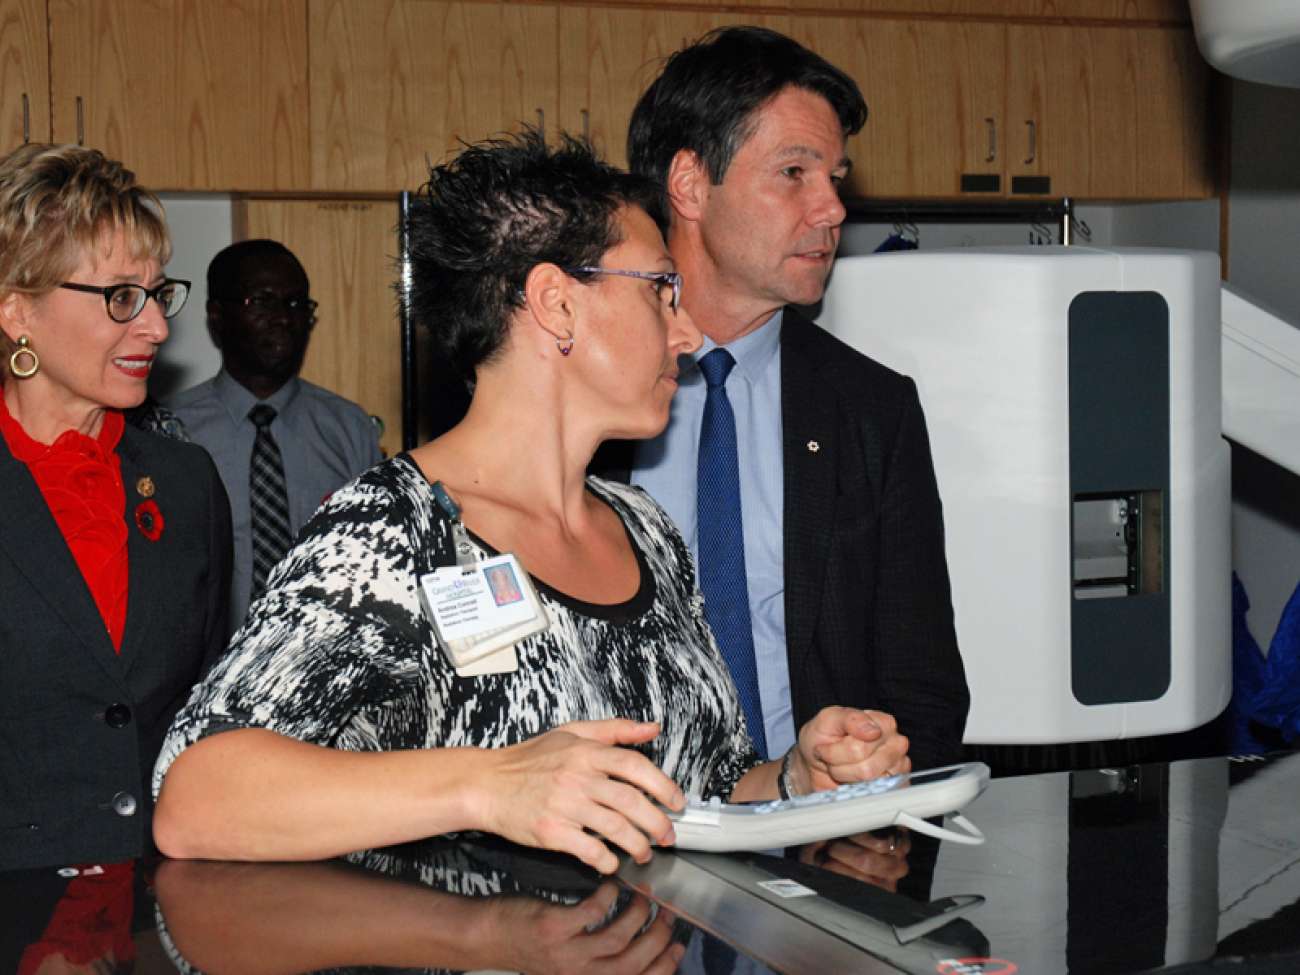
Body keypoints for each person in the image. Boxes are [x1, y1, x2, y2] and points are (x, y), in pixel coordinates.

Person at [152, 130, 910, 873]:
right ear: (556, 304)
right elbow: (196, 795)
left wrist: (796, 780)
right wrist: (489, 785)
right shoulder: (390, 530)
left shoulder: (645, 530)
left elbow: (698, 787)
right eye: (661, 290)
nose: (684, 331)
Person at [621, 26, 969, 771]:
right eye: (793, 172)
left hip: (819, 845)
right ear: (689, 184)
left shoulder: (873, 409)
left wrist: (874, 809)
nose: (832, 208)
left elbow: (925, 687)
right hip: (619, 846)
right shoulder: (581, 395)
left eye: (834, 177)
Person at [0, 144, 232, 871]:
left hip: (160, 901)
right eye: (121, 297)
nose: (157, 328)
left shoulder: (187, 482)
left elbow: (207, 710)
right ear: (18, 311)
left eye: (158, 294)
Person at [168, 239, 382, 632]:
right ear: (217, 317)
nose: (284, 317)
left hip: (323, 665)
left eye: (297, 304)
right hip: (203, 672)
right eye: (262, 302)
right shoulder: (170, 431)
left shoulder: (349, 430)